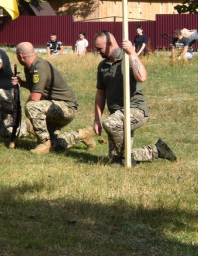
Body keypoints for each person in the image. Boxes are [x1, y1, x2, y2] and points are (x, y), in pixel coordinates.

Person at [69, 30, 176, 165]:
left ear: (110, 44)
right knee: (115, 158)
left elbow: (142, 77)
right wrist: (97, 119)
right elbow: (100, 93)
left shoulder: (127, 59)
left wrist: (132, 53)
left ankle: (128, 157)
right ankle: (156, 150)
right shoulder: (103, 66)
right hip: (116, 114)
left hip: (135, 110)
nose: (97, 52)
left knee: (110, 124)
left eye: (99, 48)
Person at [14, 41, 79, 154]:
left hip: (66, 108)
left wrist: (28, 112)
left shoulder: (39, 67)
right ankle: (82, 134)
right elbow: (37, 87)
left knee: (32, 106)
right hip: (54, 106)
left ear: (21, 56)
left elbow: (35, 97)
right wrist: (22, 83)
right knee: (56, 145)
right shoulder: (30, 67)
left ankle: (44, 143)